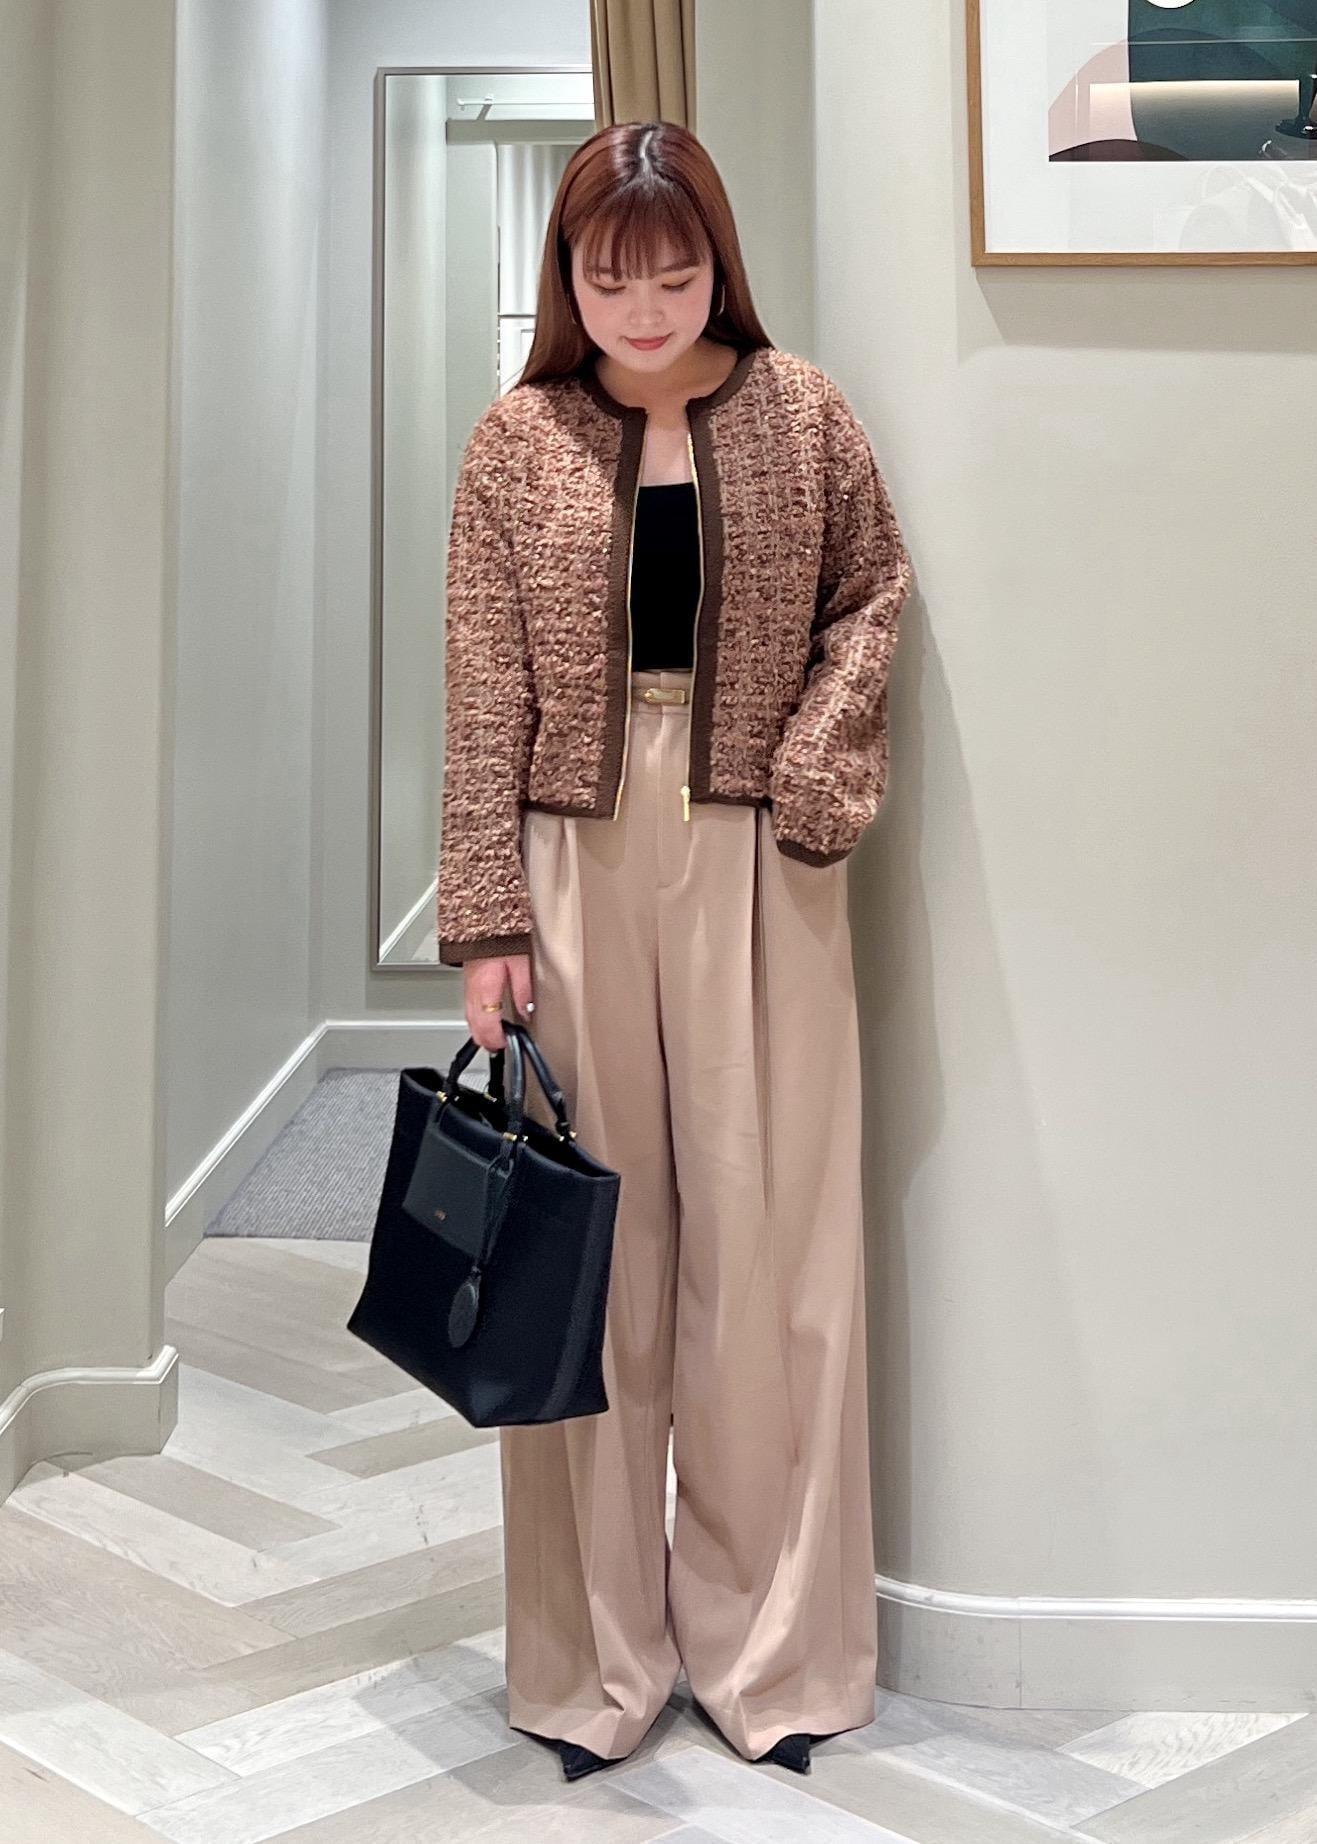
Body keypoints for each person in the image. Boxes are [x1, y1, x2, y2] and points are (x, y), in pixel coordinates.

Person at [436, 119, 913, 1783]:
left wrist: (815, 775)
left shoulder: (802, 412)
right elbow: (481, 682)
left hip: (762, 855)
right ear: (566, 280)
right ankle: (592, 1665)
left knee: (768, 1257)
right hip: (572, 856)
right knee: (590, 1264)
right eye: (607, 277)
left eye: (673, 272)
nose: (642, 309)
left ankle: (770, 1657)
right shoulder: (516, 442)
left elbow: (871, 597)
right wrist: (485, 918)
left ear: (718, 265)